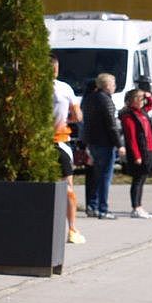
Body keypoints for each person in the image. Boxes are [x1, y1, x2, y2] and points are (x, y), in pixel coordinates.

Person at [50, 54, 86, 244]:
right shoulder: (64, 88)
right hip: (59, 141)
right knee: (67, 187)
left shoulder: (31, 87)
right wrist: (65, 120)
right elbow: (78, 116)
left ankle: (62, 228)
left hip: (42, 142)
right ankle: (72, 229)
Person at [82, 72, 121, 219]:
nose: (114, 86)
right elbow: (111, 125)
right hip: (105, 143)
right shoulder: (106, 100)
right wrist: (119, 144)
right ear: (106, 85)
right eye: (113, 84)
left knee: (95, 176)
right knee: (105, 177)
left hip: (92, 142)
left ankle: (92, 206)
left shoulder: (89, 99)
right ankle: (103, 209)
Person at [119, 86, 152, 218]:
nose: (143, 101)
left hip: (148, 150)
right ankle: (136, 207)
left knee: (143, 179)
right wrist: (136, 155)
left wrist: (148, 96)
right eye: (140, 98)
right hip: (140, 152)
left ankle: (139, 206)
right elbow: (131, 138)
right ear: (134, 100)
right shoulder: (128, 116)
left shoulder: (142, 112)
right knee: (138, 179)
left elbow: (150, 104)